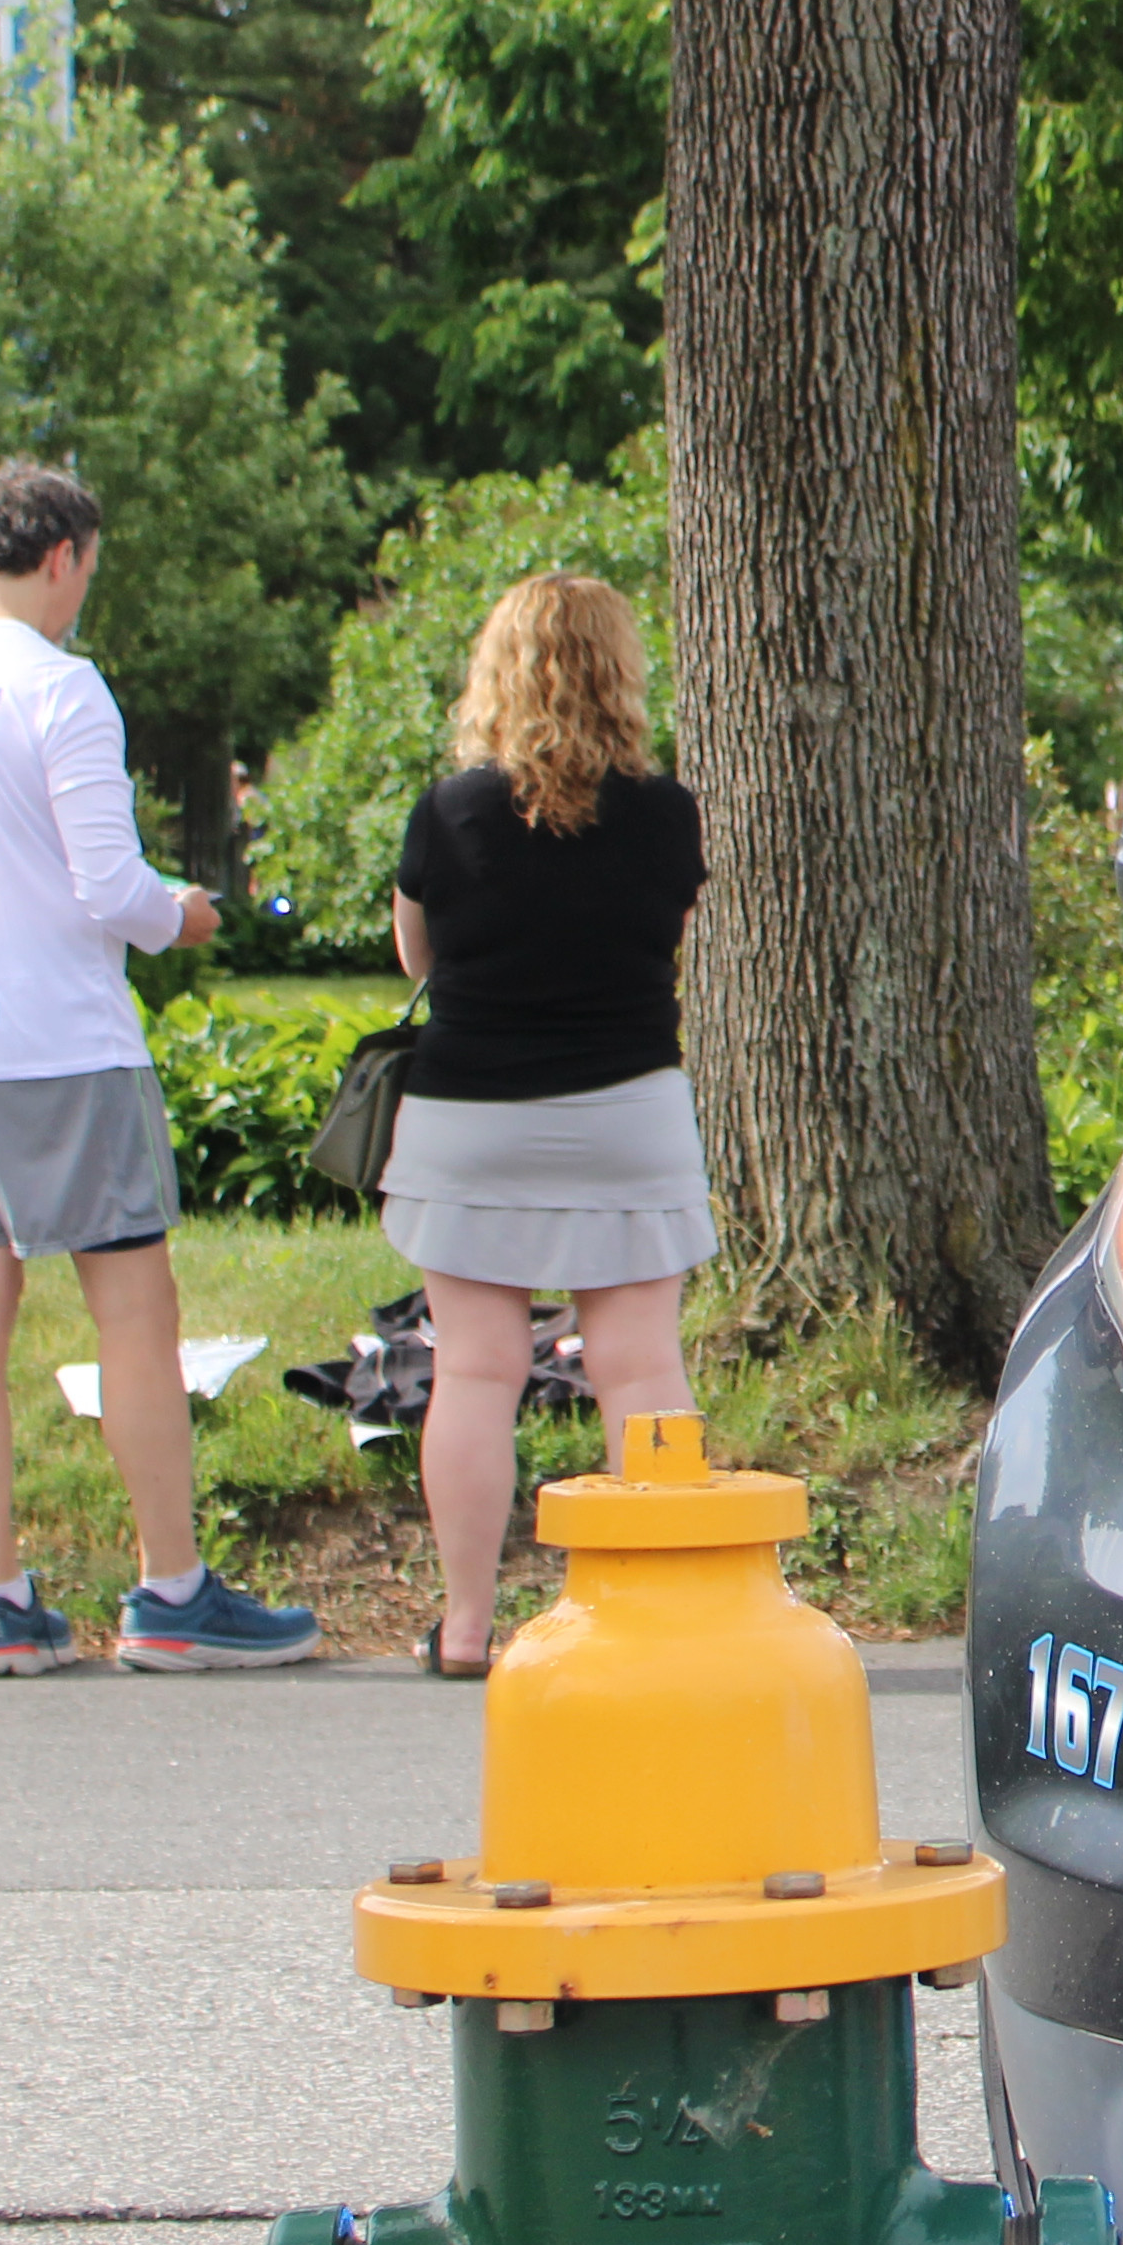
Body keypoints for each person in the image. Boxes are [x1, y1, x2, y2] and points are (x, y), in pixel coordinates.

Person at [0, 460, 320, 1676]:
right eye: (86, 575)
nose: (82, 600)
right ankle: (171, 1589)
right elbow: (112, 887)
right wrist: (190, 914)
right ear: (61, 555)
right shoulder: (60, 688)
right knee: (135, 1309)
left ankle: (0, 1597)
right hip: (55, 1036)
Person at [384, 572, 717, 1676]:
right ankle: (659, 1614)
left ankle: (470, 1626)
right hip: (628, 1109)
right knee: (638, 1362)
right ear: (620, 674)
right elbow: (661, 936)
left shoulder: (449, 812)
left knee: (477, 1369)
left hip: (471, 1115)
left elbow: (418, 959)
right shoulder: (669, 815)